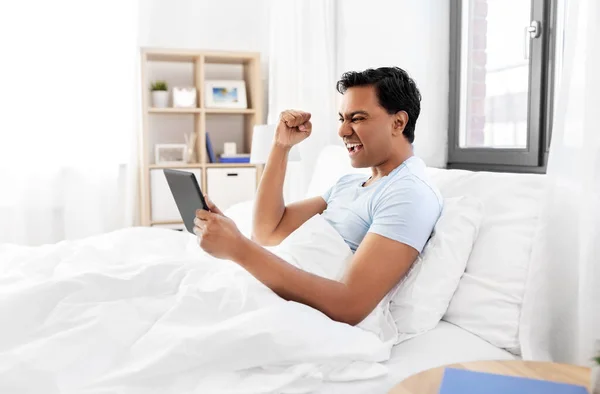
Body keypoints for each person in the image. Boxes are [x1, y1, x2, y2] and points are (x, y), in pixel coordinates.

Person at [193, 67, 443, 326]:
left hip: (298, 317)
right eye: (342, 119)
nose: (343, 131)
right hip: (273, 294)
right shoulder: (350, 184)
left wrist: (237, 248)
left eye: (356, 118)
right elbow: (267, 232)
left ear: (398, 123)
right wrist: (281, 146)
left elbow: (350, 305)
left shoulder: (409, 193)